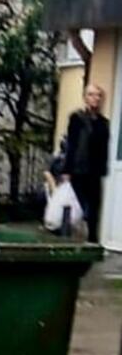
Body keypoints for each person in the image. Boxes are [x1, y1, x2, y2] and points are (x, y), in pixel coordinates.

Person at [63, 82, 109, 244]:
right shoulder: (77, 118)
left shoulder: (103, 123)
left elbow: (104, 148)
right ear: (85, 98)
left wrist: (103, 169)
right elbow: (72, 144)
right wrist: (67, 170)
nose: (95, 98)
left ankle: (92, 240)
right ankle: (72, 237)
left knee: (94, 206)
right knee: (78, 205)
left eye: (98, 95)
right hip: (78, 169)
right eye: (91, 94)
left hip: (94, 171)